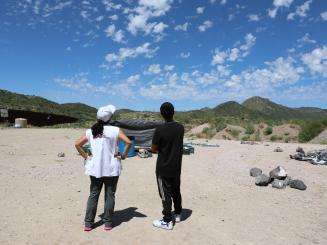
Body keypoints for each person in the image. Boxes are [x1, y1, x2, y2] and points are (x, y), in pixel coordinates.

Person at [75, 105, 131, 232]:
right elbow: (129, 142)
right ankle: (108, 223)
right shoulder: (115, 130)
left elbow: (77, 144)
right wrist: (123, 155)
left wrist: (86, 156)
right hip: (111, 168)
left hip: (95, 168)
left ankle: (88, 223)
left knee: (93, 194)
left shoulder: (91, 131)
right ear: (110, 118)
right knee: (110, 195)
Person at [151, 102, 184, 230]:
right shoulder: (180, 127)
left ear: (161, 114)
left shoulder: (159, 129)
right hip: (176, 166)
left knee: (165, 193)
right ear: (173, 112)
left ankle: (167, 220)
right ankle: (178, 213)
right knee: (176, 190)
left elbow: (154, 149)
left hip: (163, 167)